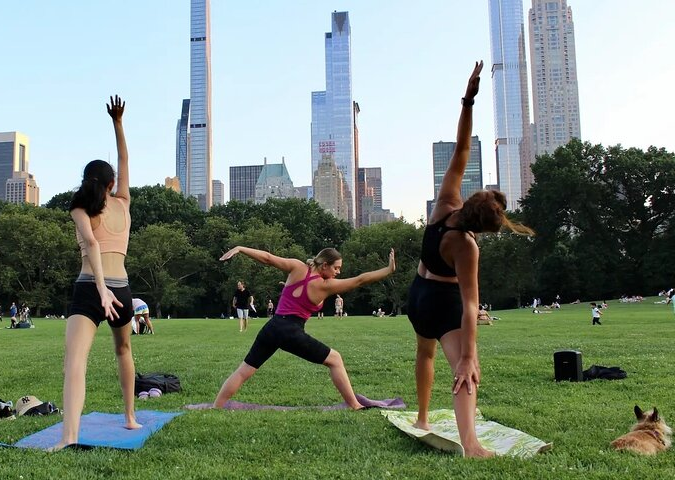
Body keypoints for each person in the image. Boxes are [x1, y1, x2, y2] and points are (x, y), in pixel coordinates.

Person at [406, 62, 534, 458]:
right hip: (442, 304)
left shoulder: (445, 203)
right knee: (465, 374)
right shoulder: (466, 247)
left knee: (424, 353)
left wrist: (468, 99)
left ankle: (424, 418)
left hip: (417, 296)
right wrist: (468, 355)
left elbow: (462, 147)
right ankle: (471, 444)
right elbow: (469, 305)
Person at [53, 95, 140, 451]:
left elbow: (90, 246)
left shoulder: (79, 207)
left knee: (75, 360)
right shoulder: (123, 202)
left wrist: (101, 291)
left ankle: (69, 438)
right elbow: (124, 158)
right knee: (123, 350)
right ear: (110, 184)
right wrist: (118, 123)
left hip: (93, 287)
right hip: (122, 288)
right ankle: (130, 417)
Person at [214, 246, 396, 409]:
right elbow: (360, 280)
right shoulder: (325, 285)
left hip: (272, 327)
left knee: (245, 370)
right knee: (335, 359)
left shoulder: (296, 266)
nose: (338, 272)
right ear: (324, 265)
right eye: (336, 267)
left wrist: (240, 248)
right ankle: (354, 405)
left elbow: (268, 258)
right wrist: (388, 270)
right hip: (290, 331)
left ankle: (217, 406)